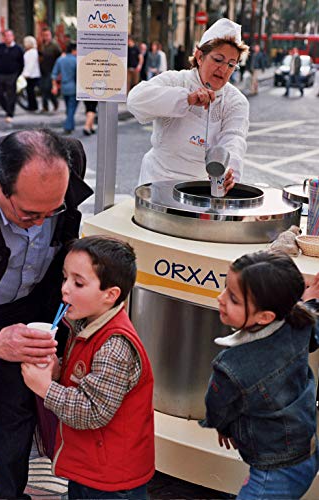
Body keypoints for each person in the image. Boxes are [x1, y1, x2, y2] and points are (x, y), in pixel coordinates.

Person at [0, 129, 93, 499]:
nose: (39, 223)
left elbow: (66, 235)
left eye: (53, 210)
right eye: (29, 214)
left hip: (27, 308)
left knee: (16, 414)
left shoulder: (69, 159)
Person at [21, 236, 155, 499]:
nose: (65, 290)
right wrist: (58, 371)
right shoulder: (84, 324)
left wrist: (45, 388)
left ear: (110, 295)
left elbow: (92, 411)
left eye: (78, 283)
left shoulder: (114, 346)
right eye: (65, 278)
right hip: (88, 466)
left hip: (112, 480)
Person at [201, 250, 319, 499]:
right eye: (225, 288)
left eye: (233, 298)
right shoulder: (298, 322)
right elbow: (312, 326)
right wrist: (311, 302)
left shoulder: (230, 368)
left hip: (274, 473)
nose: (220, 298)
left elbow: (217, 407)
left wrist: (222, 427)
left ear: (265, 317)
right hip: (305, 448)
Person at [127, 18, 249, 190]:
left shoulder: (235, 101)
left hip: (202, 188)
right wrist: (187, 99)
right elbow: (135, 100)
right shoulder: (176, 80)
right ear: (200, 56)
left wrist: (229, 171)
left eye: (231, 64)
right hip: (158, 180)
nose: (224, 69)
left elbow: (234, 139)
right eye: (218, 60)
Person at [0, 29, 24, 123]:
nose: (7, 38)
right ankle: (7, 108)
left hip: (12, 74)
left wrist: (17, 74)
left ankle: (10, 113)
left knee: (11, 94)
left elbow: (21, 63)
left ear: (13, 37)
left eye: (9, 36)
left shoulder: (18, 49)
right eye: (5, 36)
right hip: (0, 74)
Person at [51, 42, 78, 134]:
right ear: (74, 50)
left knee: (68, 107)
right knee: (71, 108)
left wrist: (54, 86)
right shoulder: (76, 60)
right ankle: (68, 126)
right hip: (74, 87)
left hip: (64, 87)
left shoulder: (60, 60)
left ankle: (71, 125)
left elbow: (54, 74)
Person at [38, 27, 61, 112]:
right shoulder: (42, 45)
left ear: (50, 35)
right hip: (43, 70)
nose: (46, 37)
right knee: (43, 88)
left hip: (51, 70)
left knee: (47, 88)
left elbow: (59, 56)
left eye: (47, 35)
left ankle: (52, 104)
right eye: (44, 35)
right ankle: (47, 106)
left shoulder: (54, 45)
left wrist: (58, 71)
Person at [22, 36, 41, 112]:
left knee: (30, 91)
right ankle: (32, 105)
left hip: (32, 75)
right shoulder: (32, 52)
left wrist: (25, 74)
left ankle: (33, 106)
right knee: (30, 91)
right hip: (32, 74)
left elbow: (30, 64)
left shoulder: (32, 52)